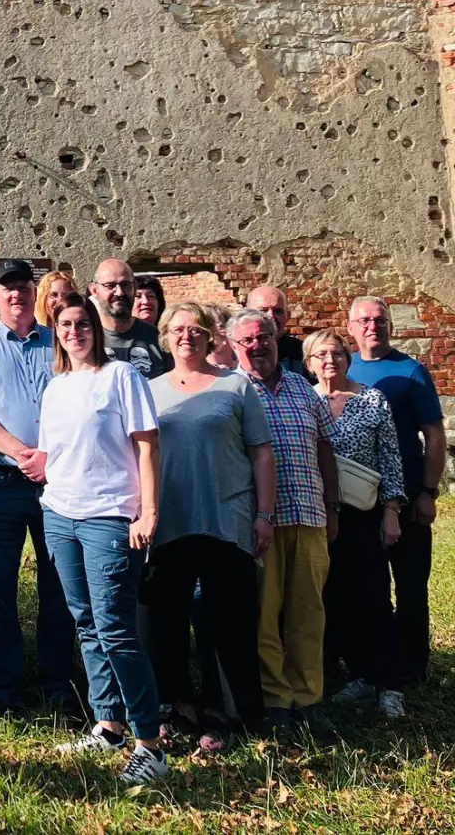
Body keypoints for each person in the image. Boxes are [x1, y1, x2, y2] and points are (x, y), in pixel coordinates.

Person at [36, 292, 168, 784]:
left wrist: (148, 511)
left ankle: (150, 743)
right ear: (57, 332)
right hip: (60, 515)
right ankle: (108, 723)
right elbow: (51, 454)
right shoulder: (56, 387)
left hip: (111, 516)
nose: (75, 331)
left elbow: (148, 445)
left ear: (96, 328)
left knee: (116, 629)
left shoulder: (121, 377)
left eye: (83, 323)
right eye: (66, 324)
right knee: (86, 622)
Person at [140, 302, 274, 747]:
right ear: (164, 337)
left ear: (210, 337)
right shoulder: (149, 390)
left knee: (228, 622)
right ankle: (178, 707)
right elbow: (138, 457)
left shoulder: (236, 387)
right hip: (169, 522)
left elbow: (260, 452)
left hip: (226, 518)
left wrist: (264, 515)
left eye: (196, 329)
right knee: (168, 622)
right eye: (177, 329)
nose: (186, 336)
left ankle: (226, 713)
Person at [0, 259, 75, 713]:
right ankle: (3, 688)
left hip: (57, 482)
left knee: (58, 587)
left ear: (34, 292)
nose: (17, 294)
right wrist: (23, 454)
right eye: (7, 288)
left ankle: (57, 683)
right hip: (0, 482)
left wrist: (49, 457)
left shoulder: (59, 339)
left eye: (24, 286)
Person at [230, 308, 341, 735]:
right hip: (262, 522)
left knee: (308, 612)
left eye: (265, 338)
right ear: (235, 347)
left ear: (277, 338)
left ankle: (308, 698)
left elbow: (326, 449)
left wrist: (332, 508)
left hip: (311, 515)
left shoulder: (301, 386)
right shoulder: (234, 389)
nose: (258, 346)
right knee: (264, 615)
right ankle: (276, 699)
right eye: (248, 341)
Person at [306, 329, 407, 718]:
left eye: (336, 353)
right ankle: (359, 675)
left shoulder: (371, 399)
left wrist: (392, 511)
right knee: (331, 598)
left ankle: (389, 684)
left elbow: (391, 458)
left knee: (375, 597)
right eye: (321, 355)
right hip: (316, 514)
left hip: (363, 514)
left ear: (348, 359)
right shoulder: (305, 400)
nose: (329, 360)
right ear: (309, 362)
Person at [345, 296, 445, 691]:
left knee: (410, 584)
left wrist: (429, 492)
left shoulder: (411, 372)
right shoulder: (342, 367)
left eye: (380, 319)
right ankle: (368, 663)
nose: (373, 326)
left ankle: (412, 666)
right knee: (366, 586)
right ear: (351, 327)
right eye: (364, 320)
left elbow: (434, 435)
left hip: (407, 496)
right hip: (359, 499)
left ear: (390, 325)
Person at [90, 259, 166, 379]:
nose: (119, 293)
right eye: (110, 286)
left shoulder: (157, 337)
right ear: (94, 290)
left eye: (125, 285)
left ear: (134, 287)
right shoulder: (86, 338)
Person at [246, 285, 308, 380]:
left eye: (278, 311)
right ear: (247, 315)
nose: (271, 316)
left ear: (287, 316)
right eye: (263, 310)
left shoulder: (302, 353)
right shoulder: (236, 353)